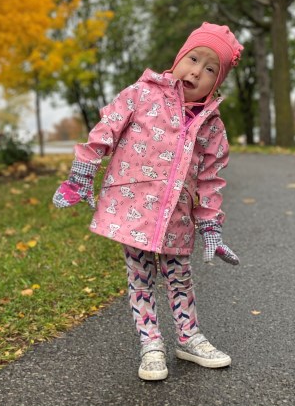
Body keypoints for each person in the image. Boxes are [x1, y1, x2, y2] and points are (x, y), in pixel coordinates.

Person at [53, 22, 242, 381]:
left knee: (180, 277)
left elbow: (211, 179)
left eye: (210, 69)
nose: (196, 71)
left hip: (177, 217)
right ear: (178, 59)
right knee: (140, 277)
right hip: (133, 206)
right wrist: (83, 170)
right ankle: (151, 343)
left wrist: (210, 225)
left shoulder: (212, 125)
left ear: (217, 83)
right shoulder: (142, 94)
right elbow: (106, 128)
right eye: (193, 59)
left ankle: (188, 337)